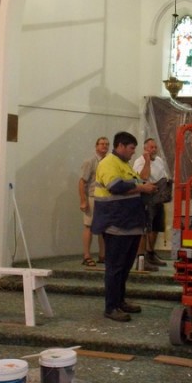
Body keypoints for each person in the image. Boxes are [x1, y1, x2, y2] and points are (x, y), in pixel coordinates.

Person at [91, 131, 157, 322]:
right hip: (116, 223)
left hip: (130, 223)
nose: (132, 152)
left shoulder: (124, 165)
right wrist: (142, 188)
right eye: (130, 148)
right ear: (120, 146)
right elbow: (115, 186)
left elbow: (135, 181)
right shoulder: (108, 163)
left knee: (125, 267)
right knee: (115, 267)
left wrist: (146, 185)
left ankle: (120, 301)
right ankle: (111, 307)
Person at [133, 137, 169, 268]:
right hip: (146, 198)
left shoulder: (159, 160)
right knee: (145, 228)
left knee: (156, 227)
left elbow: (163, 176)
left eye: (155, 147)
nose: (154, 150)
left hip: (158, 198)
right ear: (145, 148)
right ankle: (140, 259)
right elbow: (142, 177)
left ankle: (150, 253)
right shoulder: (139, 161)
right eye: (151, 147)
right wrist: (147, 161)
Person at [78, 136, 109, 267]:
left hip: (105, 198)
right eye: (102, 144)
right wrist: (83, 200)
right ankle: (86, 255)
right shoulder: (90, 161)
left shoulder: (109, 161)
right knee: (89, 227)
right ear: (96, 146)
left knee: (103, 228)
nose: (104, 146)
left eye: (107, 144)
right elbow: (82, 182)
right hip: (92, 197)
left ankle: (103, 255)